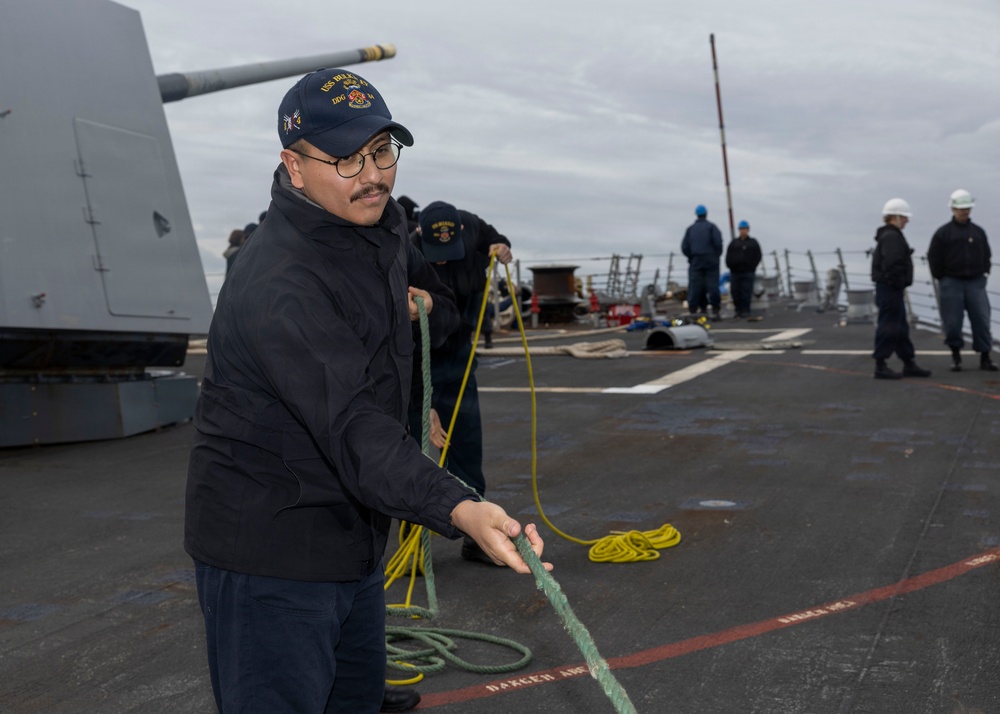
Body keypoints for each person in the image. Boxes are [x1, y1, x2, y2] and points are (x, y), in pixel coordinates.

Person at [184, 67, 549, 714]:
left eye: (382, 152)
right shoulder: (280, 285)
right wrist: (458, 507)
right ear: (293, 167)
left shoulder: (375, 234)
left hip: (351, 540)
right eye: (347, 159)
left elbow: (386, 367)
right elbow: (350, 421)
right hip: (271, 553)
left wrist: (423, 417)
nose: (374, 174)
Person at [409, 201, 512, 563]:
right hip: (416, 356)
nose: (441, 263)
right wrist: (425, 404)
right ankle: (413, 549)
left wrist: (502, 247)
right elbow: (397, 346)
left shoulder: (472, 228)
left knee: (466, 444)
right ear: (420, 234)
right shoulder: (404, 256)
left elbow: (496, 238)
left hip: (460, 354)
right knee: (415, 451)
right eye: (435, 255)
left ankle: (478, 538)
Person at [928, 189, 997, 372]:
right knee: (952, 322)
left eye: (967, 208)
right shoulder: (943, 233)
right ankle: (956, 356)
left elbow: (987, 254)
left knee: (982, 319)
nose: (964, 211)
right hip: (951, 281)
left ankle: (985, 357)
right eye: (961, 208)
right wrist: (941, 276)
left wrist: (985, 272)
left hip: (975, 281)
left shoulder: (978, 232)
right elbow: (933, 256)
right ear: (953, 208)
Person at [870, 199, 931, 380]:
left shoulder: (888, 236)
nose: (906, 221)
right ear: (895, 217)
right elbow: (893, 263)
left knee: (900, 327)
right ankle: (880, 364)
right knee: (889, 326)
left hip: (890, 288)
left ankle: (908, 362)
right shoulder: (892, 237)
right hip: (890, 288)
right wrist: (897, 282)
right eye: (904, 217)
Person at [681, 204, 724, 320]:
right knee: (713, 285)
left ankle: (694, 311)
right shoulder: (712, 227)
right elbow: (718, 243)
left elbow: (684, 247)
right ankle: (715, 310)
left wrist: (691, 257)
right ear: (706, 214)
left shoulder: (690, 229)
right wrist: (715, 256)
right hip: (711, 260)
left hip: (696, 260)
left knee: (695, 285)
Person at [725, 219, 762, 318]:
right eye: (741, 229)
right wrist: (731, 266)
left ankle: (746, 310)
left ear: (748, 229)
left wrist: (752, 266)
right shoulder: (734, 243)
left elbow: (758, 255)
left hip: (748, 271)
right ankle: (738, 311)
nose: (743, 231)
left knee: (747, 291)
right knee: (735, 291)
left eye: (744, 229)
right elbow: (728, 256)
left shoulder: (753, 243)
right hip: (735, 272)